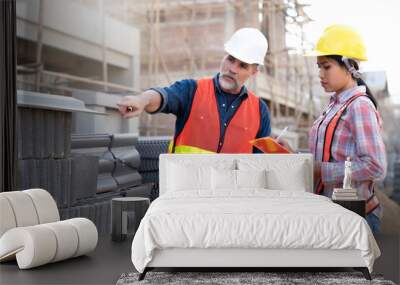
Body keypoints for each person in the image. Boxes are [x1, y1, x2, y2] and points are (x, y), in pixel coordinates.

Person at [282, 25, 386, 233]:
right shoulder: (334, 105)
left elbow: (375, 166)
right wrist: (294, 155)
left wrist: (320, 169)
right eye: (318, 66)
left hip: (354, 218)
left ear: (349, 66)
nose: (320, 74)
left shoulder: (360, 106)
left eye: (326, 66)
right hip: (332, 215)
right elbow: (329, 154)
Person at [118, 27, 271, 154]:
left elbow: (261, 163)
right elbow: (163, 96)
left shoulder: (260, 111)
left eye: (242, 65)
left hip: (231, 191)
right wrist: (142, 100)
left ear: (254, 72)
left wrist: (282, 152)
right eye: (230, 59)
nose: (232, 69)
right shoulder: (192, 90)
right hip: (183, 187)